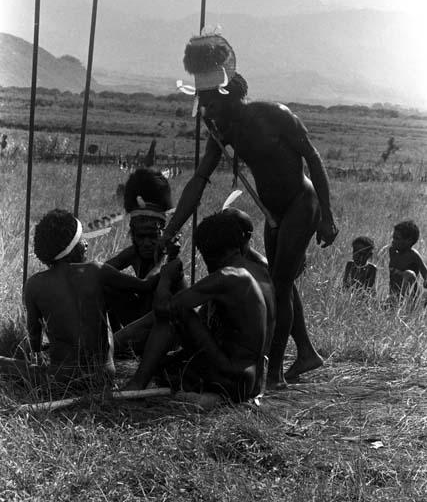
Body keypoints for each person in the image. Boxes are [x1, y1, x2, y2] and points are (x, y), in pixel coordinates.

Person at [157, 34, 338, 387]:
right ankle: (305, 352)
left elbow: (312, 158)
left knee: (281, 283)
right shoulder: (221, 133)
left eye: (208, 100)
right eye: (201, 101)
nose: (204, 109)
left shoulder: (273, 116)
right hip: (274, 211)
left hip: (303, 203)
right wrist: (171, 228)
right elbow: (198, 181)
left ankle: (272, 375)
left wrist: (327, 215)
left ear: (226, 94)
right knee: (279, 281)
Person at [115, 212, 275, 402]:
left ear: (208, 252)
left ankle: (137, 383)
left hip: (232, 379)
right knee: (165, 366)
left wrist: (166, 278)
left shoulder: (228, 277)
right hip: (249, 379)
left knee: (174, 314)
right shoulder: (253, 272)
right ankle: (118, 348)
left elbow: (163, 309)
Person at [0, 209, 162, 391]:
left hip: (61, 377)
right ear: (70, 248)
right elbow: (146, 285)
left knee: (4, 363)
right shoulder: (97, 271)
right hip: (103, 375)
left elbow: (34, 335)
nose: (86, 244)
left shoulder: (34, 285)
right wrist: (162, 259)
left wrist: (36, 356)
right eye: (81, 240)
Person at [106, 167, 185, 332]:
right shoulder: (133, 253)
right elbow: (104, 270)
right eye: (141, 237)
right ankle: (112, 338)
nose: (147, 243)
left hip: (164, 327)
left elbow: (148, 284)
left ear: (163, 233)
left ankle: (122, 341)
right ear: (132, 234)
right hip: (139, 320)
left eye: (152, 236)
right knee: (105, 286)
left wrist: (165, 257)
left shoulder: (169, 257)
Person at [388, 220, 427, 303]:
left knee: (408, 274)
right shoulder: (392, 252)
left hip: (409, 299)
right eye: (393, 238)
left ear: (409, 240)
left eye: (397, 238)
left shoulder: (413, 255)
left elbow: (425, 273)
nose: (393, 241)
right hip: (393, 295)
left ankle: (402, 302)